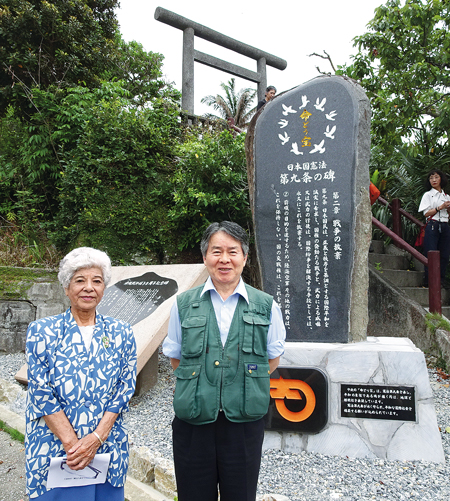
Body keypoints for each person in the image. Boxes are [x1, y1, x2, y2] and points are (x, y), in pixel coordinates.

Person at [162, 221, 286, 501]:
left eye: (233, 251)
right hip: (194, 421)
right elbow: (175, 357)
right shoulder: (183, 304)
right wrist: (203, 387)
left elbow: (272, 358)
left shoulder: (266, 305)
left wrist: (239, 385)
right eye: (216, 251)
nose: (224, 259)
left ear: (244, 257)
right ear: (205, 257)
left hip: (243, 423)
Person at [25, 247, 137, 500]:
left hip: (106, 448)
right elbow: (41, 391)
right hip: (55, 449)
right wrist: (74, 445)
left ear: (104, 288)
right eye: (80, 280)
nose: (89, 287)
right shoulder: (42, 331)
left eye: (96, 281)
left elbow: (125, 387)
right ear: (66, 288)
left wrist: (96, 438)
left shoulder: (122, 332)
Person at [418, 169, 450, 287]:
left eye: (436, 177)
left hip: (445, 225)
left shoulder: (446, 196)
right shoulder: (428, 195)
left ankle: (440, 280)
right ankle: (429, 280)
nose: (434, 180)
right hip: (433, 225)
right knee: (431, 252)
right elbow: (426, 213)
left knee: (445, 254)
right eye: (431, 178)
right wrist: (440, 207)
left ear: (441, 179)